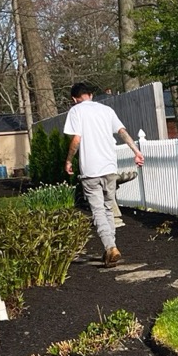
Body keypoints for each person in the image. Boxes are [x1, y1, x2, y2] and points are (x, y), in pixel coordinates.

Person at [63, 82, 144, 265]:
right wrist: (136, 151)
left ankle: (110, 247)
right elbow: (122, 131)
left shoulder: (76, 111)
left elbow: (76, 139)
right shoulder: (106, 110)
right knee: (108, 208)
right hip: (109, 168)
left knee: (98, 210)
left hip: (91, 170)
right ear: (90, 95)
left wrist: (68, 160)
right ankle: (110, 249)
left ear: (74, 99)